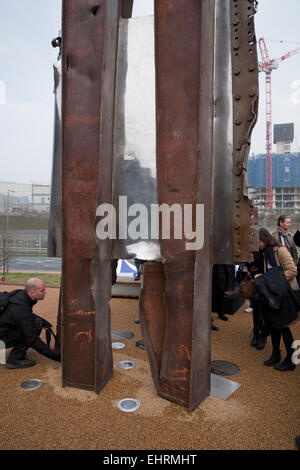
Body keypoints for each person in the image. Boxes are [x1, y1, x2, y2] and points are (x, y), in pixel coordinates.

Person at [254, 229, 298, 371]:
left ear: (265, 240)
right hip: (273, 294)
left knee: (284, 327)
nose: (257, 245)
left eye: (258, 242)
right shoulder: (266, 253)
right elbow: (270, 273)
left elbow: (292, 270)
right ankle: (275, 354)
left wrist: (271, 280)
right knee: (273, 324)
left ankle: (291, 360)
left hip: (284, 294)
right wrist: (263, 276)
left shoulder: (280, 251)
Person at [0, 278, 61, 369]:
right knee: (35, 327)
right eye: (42, 290)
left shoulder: (20, 294)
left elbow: (21, 315)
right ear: (32, 292)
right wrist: (56, 356)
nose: (45, 292)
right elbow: (32, 339)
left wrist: (42, 320)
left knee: (37, 322)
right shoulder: (22, 307)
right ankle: (15, 359)